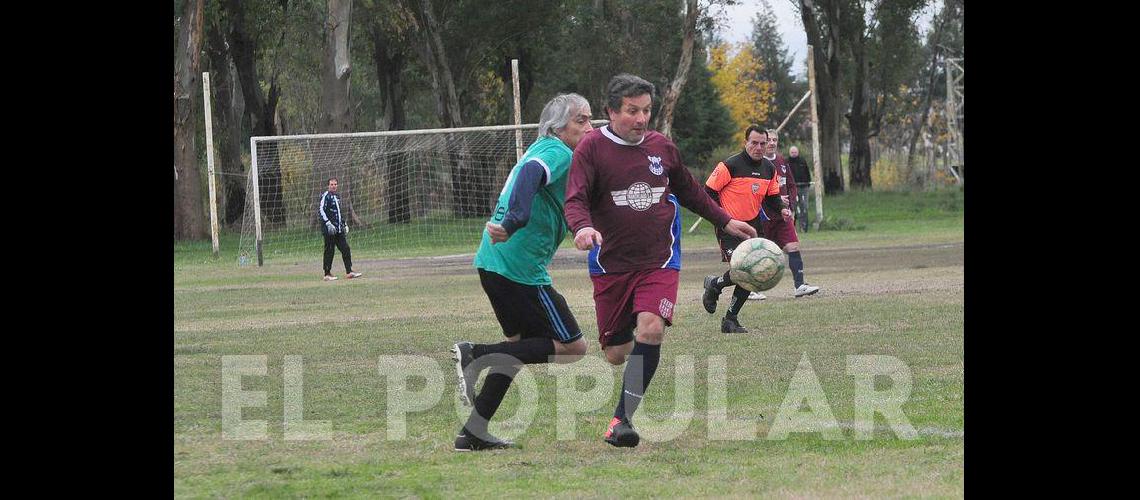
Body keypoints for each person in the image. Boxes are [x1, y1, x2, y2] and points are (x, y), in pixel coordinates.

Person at [564, 74, 757, 448]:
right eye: (632, 111)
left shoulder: (661, 147)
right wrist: (582, 228)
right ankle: (619, 356)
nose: (641, 119)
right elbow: (575, 199)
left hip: (660, 259)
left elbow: (690, 191)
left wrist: (726, 219)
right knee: (616, 354)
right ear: (611, 112)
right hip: (611, 265)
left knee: (651, 329)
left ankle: (621, 421)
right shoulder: (590, 148)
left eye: (647, 111)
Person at [450, 93, 594, 452]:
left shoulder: (542, 148)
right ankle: (477, 354)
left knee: (516, 350)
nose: (589, 128)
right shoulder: (557, 152)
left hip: (493, 262)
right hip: (520, 269)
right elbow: (531, 176)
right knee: (574, 348)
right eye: (582, 120)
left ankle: (474, 433)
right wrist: (516, 220)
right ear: (558, 127)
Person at [701, 126, 787, 331]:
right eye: (754, 143)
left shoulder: (769, 169)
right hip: (728, 226)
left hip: (753, 226)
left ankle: (728, 314)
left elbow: (773, 197)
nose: (759, 147)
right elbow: (708, 193)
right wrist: (722, 218)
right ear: (745, 142)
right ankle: (716, 286)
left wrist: (782, 209)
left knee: (755, 271)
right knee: (742, 269)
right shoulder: (729, 165)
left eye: (762, 143)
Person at [762, 129, 820, 298]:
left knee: (793, 246)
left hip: (783, 216)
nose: (772, 143)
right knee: (762, 253)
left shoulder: (782, 162)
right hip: (764, 216)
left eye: (775, 140)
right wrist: (778, 199)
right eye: (768, 140)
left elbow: (792, 186)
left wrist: (791, 206)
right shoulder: (757, 164)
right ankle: (751, 289)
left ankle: (800, 285)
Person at [318, 178, 362, 281]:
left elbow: (339, 213)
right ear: (328, 186)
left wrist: (344, 224)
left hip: (338, 230)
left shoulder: (337, 197)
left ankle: (349, 271)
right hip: (329, 230)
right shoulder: (326, 196)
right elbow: (321, 210)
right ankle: (327, 274)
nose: (334, 186)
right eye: (331, 184)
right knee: (329, 250)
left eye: (335, 184)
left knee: (345, 248)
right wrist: (328, 223)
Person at [787, 146, 812, 233]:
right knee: (793, 208)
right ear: (790, 153)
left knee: (804, 207)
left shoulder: (802, 161)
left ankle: (804, 228)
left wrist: (808, 183)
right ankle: (792, 229)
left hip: (803, 187)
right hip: (792, 189)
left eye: (795, 152)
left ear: (798, 152)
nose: (794, 154)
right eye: (792, 152)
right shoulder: (787, 162)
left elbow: (807, 172)